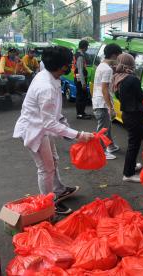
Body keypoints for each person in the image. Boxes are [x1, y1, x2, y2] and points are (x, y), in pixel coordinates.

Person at [13, 46, 94, 215]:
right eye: (69, 64)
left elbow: (52, 114)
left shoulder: (47, 74)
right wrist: (78, 135)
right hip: (35, 129)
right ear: (62, 67)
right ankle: (47, 203)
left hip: (42, 126)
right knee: (45, 168)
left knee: (54, 161)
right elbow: (49, 123)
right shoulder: (46, 87)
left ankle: (58, 190)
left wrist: (64, 123)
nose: (71, 67)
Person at [112, 53, 143, 183]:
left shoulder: (118, 77)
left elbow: (122, 97)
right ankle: (128, 174)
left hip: (126, 114)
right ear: (130, 64)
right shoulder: (132, 79)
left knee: (133, 143)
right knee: (134, 145)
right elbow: (142, 97)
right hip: (134, 116)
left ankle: (131, 167)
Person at [92, 43, 123, 160]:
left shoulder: (101, 66)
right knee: (103, 129)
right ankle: (101, 151)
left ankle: (110, 146)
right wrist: (110, 107)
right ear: (114, 55)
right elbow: (104, 89)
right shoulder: (107, 69)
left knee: (107, 126)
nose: (119, 60)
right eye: (119, 56)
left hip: (99, 101)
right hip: (102, 104)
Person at [74, 40, 92, 119]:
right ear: (85, 47)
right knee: (81, 96)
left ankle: (82, 112)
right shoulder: (80, 56)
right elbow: (80, 70)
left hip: (78, 78)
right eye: (87, 46)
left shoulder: (77, 54)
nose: (87, 48)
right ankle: (80, 114)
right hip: (80, 79)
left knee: (82, 96)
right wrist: (83, 83)